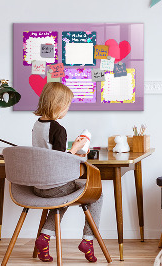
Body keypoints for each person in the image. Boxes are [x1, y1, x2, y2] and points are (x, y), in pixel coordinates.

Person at [32, 82, 102, 263]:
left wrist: (71, 149)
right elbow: (60, 161)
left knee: (62, 197)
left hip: (38, 186)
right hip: (55, 186)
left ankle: (44, 238)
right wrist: (77, 148)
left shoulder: (37, 125)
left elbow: (49, 154)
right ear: (58, 105)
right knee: (97, 194)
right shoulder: (58, 129)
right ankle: (88, 240)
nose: (67, 109)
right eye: (67, 105)